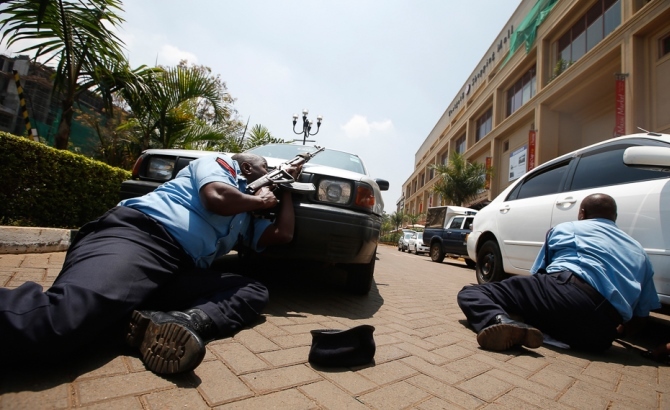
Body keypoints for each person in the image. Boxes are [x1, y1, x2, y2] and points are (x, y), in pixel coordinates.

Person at [0, 152, 299, 374]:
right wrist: (261, 202)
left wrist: (286, 189)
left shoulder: (245, 213)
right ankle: (119, 318)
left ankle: (177, 322)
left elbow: (282, 234)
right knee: (59, 323)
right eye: (268, 168)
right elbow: (216, 198)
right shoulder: (220, 164)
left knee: (252, 290)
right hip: (140, 237)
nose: (271, 172)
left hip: (178, 268)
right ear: (247, 167)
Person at [457, 193, 660, 352]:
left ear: (582, 213)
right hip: (600, 336)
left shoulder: (568, 228)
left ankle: (500, 321)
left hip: (566, 293)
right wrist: (614, 333)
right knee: (545, 316)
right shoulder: (640, 252)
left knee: (473, 293)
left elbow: (540, 275)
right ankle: (525, 327)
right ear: (614, 217)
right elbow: (641, 317)